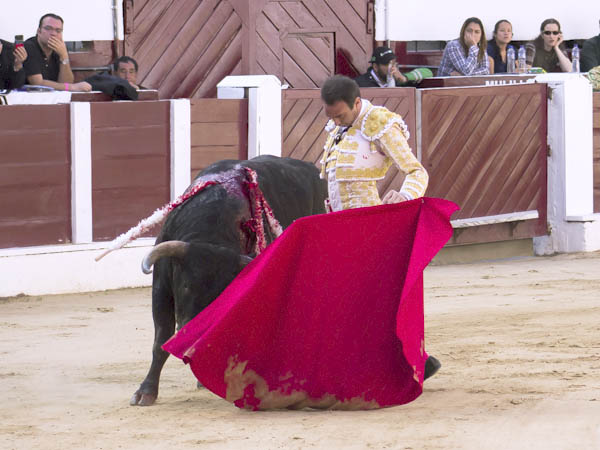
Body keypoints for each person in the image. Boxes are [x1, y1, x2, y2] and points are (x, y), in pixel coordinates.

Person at [319, 75, 440, 377]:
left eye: (340, 115)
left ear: (357, 103)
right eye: (331, 115)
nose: (335, 121)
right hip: (339, 229)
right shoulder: (337, 128)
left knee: (368, 301)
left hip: (371, 229)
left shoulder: (379, 123)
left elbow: (416, 172)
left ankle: (409, 361)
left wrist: (404, 197)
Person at [23, 13, 91, 91]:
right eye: (48, 28)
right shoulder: (29, 46)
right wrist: (73, 87)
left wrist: (64, 56)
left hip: (53, 96)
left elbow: (66, 83)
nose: (53, 33)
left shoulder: (60, 48)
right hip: (29, 96)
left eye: (58, 31)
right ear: (39, 31)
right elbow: (37, 83)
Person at [354, 46, 432, 87]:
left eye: (394, 63)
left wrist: (405, 78)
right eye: (387, 64)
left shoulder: (399, 79)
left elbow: (429, 73)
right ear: (375, 67)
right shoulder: (360, 84)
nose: (392, 68)